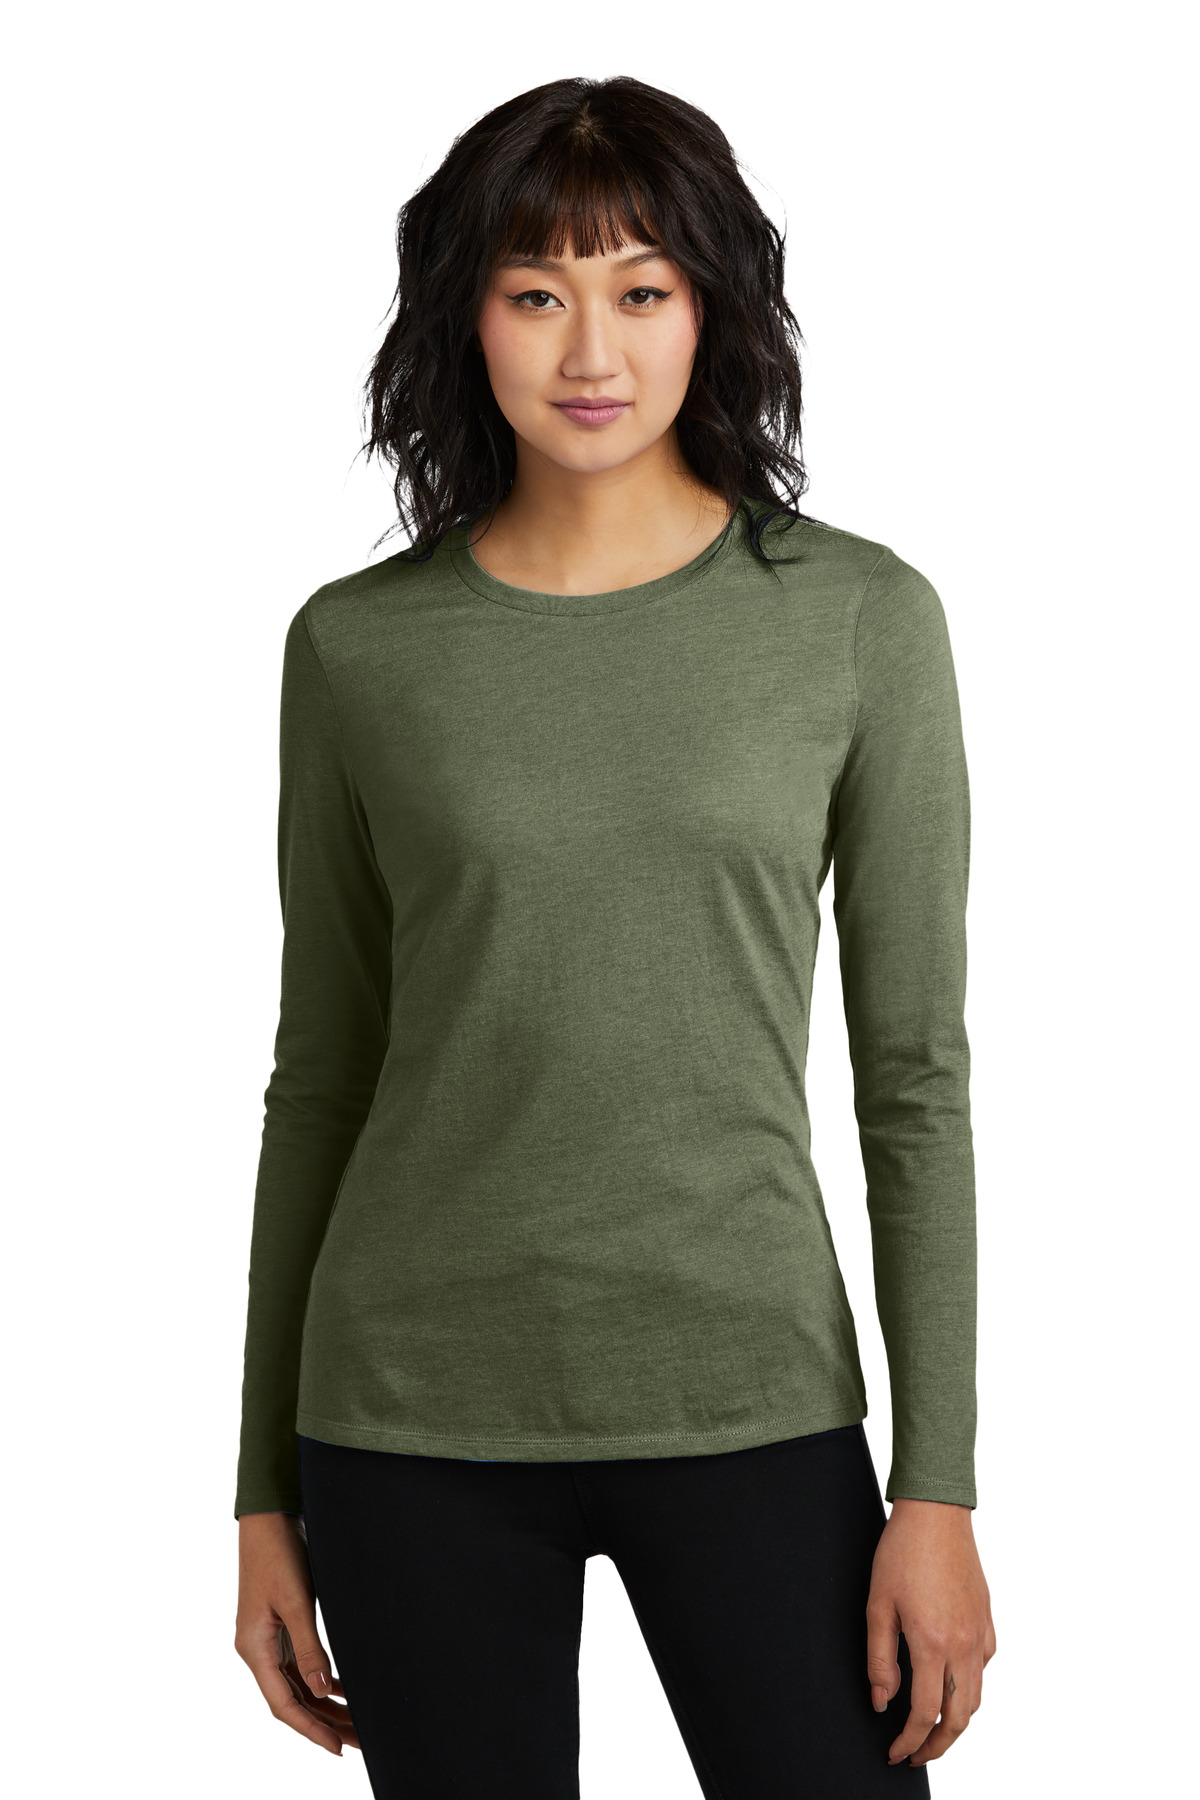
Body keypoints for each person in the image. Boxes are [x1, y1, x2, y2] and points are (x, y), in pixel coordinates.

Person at [233, 74, 996, 1798]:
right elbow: (321, 1078)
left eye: (641, 289)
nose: (592, 349)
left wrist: (937, 1487)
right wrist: (261, 1492)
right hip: (407, 1416)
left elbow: (916, 1081)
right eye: (537, 293)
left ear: (709, 310)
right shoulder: (359, 649)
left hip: (751, 1392)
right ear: (468, 319)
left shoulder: (858, 621)